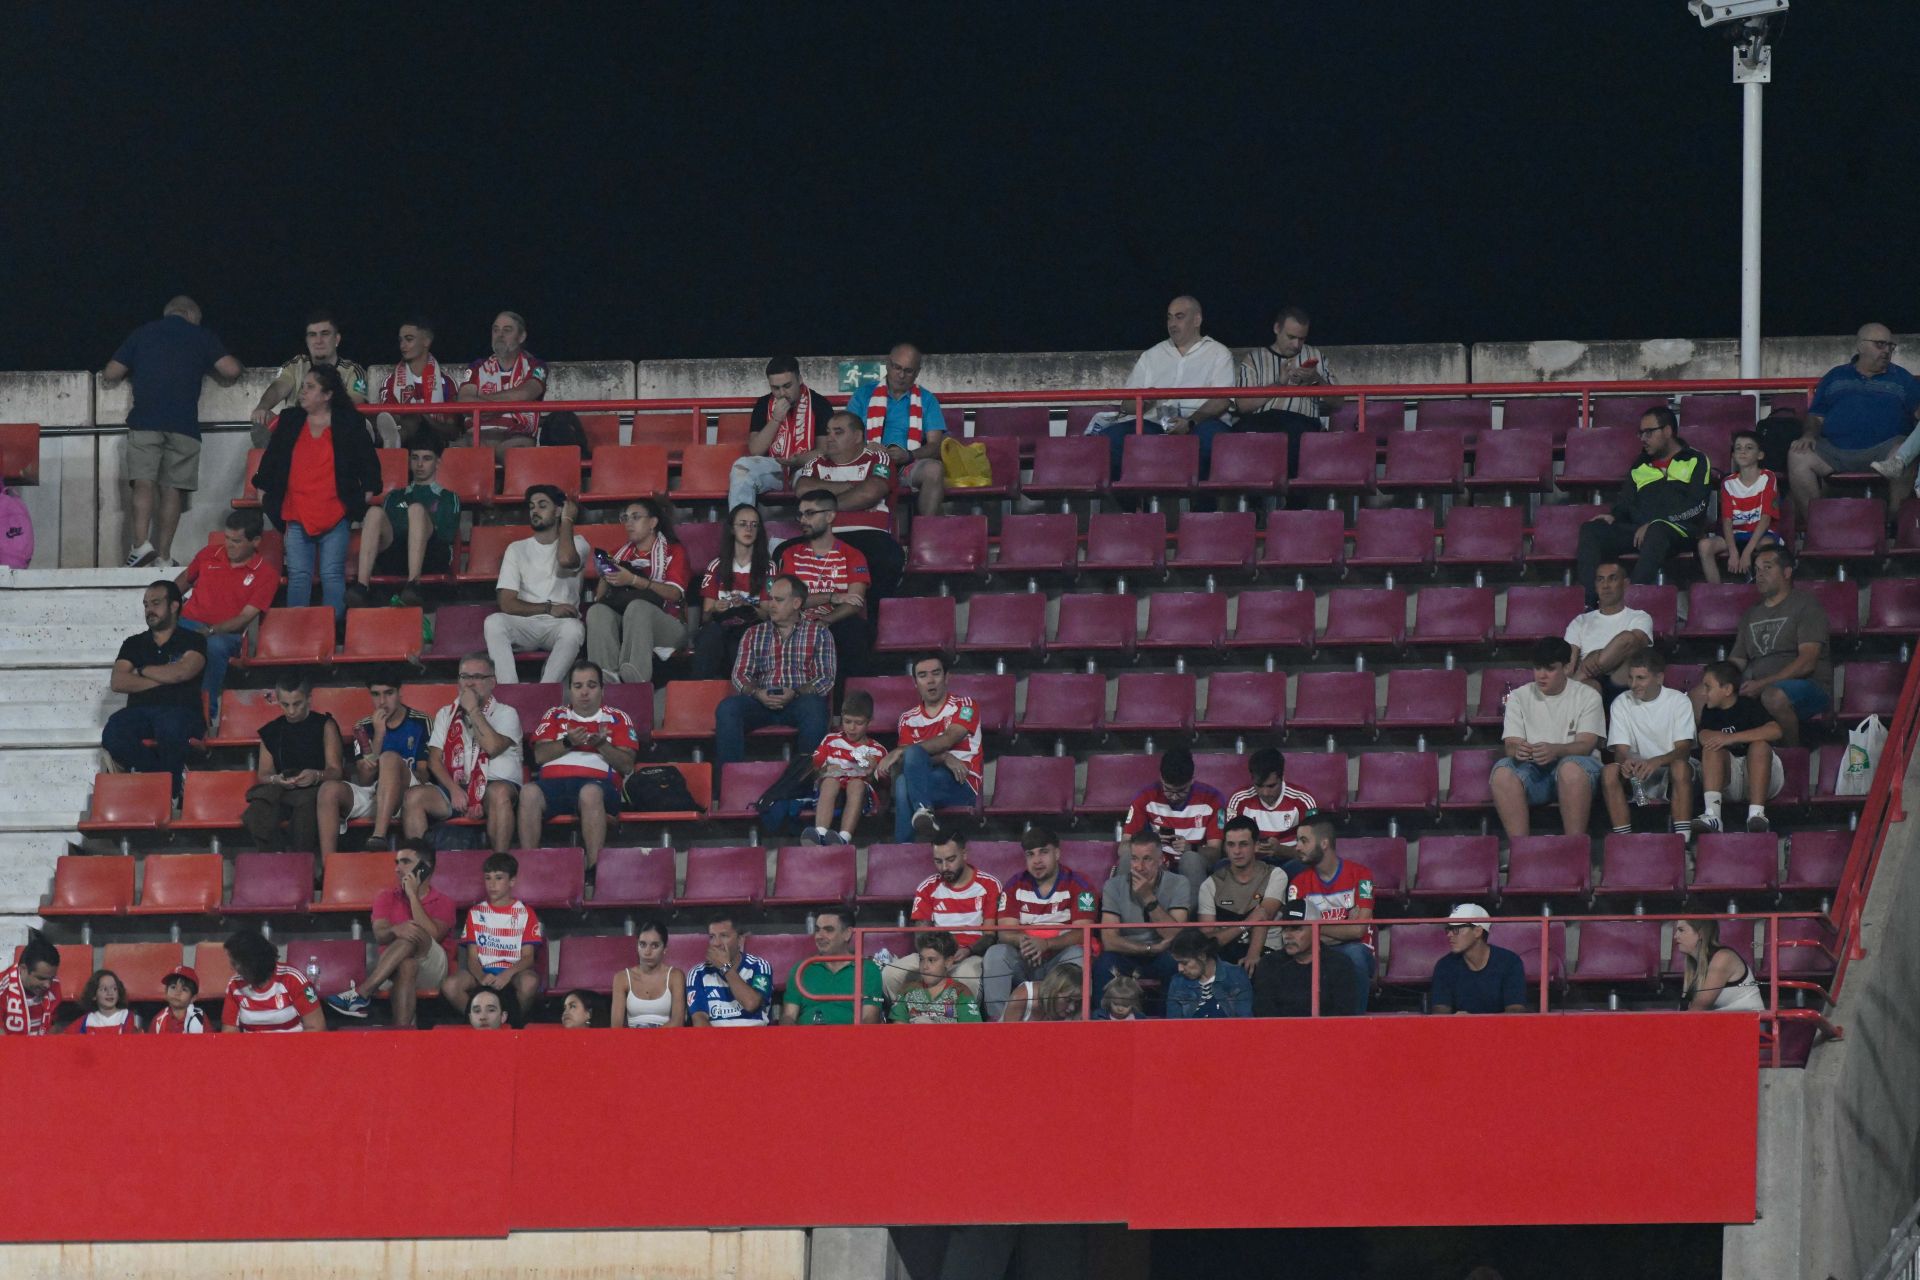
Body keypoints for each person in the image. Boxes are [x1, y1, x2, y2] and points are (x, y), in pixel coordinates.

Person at [102, 295, 244, 569]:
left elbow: (111, 373)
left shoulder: (142, 333)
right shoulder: (202, 336)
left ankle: (140, 546)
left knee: (143, 482)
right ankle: (164, 557)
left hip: (145, 421)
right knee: (173, 489)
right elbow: (231, 370)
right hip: (184, 426)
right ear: (191, 314)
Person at [252, 365, 383, 624]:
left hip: (336, 512)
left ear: (327, 394)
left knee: (332, 574)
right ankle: (296, 636)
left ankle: (331, 634)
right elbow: (272, 461)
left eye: (310, 387)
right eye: (304, 386)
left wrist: (362, 496)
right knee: (299, 575)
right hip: (296, 511)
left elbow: (368, 464)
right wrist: (263, 494)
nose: (303, 392)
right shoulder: (290, 420)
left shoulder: (348, 422)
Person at [1573, 406, 1711, 607]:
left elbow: (1698, 506)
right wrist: (1613, 516)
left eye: (1649, 432)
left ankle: (1630, 604)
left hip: (1680, 531)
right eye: (1641, 433)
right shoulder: (1640, 465)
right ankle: (1591, 604)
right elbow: (1626, 503)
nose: (1643, 438)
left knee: (1657, 530)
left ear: (1668, 431)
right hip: (1640, 531)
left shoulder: (1696, 460)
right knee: (1592, 530)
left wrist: (1658, 522)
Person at [1088, 295, 1236, 479]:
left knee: (1213, 439)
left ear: (1197, 320)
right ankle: (1131, 504)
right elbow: (1126, 405)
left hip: (1200, 425)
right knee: (1109, 440)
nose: (1172, 323)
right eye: (1169, 317)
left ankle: (1198, 504)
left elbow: (1221, 400)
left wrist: (1190, 423)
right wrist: (1145, 400)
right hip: (1155, 425)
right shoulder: (1151, 355)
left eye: (1179, 316)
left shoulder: (1218, 353)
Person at [1703, 543, 1831, 748]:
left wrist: (1762, 684)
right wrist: (1718, 684)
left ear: (1787, 572)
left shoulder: (1807, 605)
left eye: (1767, 567)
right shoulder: (1751, 614)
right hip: (1759, 687)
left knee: (1773, 696)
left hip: (1809, 686)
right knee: (1701, 694)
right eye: (1757, 569)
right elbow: (1736, 661)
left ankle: (1791, 755)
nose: (1760, 575)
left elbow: (1807, 662)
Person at [519, 660, 640, 871]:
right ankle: (530, 868)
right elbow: (539, 756)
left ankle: (594, 870)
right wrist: (568, 742)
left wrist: (602, 745)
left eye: (591, 686)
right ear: (570, 690)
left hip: (599, 786)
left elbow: (627, 764)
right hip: (553, 787)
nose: (584, 692)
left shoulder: (617, 718)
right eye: (578, 686)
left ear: (602, 690)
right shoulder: (555, 715)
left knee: (590, 793)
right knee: (528, 791)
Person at [1791, 323, 1920, 519]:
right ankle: (1816, 527)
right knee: (1797, 456)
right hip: (1834, 451)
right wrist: (1808, 434)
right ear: (1860, 346)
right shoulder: (1835, 376)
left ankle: (1896, 527)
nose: (1886, 351)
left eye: (1890, 346)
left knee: (1905, 453)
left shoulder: (1903, 379)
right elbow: (1816, 415)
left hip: (1886, 451)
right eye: (1880, 344)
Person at [323, 841, 457, 1028]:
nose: (397, 869)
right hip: (390, 970)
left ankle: (362, 993)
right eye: (396, 862)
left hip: (432, 968)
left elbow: (433, 935)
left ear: (424, 868)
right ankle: (402, 1039)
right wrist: (395, 929)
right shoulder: (386, 897)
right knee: (407, 964)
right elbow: (380, 934)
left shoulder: (445, 901)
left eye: (405, 862)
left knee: (413, 931)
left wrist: (412, 896)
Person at [404, 654, 523, 854]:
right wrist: (454, 790)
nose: (469, 683)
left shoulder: (506, 713)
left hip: (494, 784)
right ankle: (420, 866)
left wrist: (473, 710)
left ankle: (499, 865)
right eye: (464, 677)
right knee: (413, 797)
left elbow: (492, 747)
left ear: (492, 682)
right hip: (456, 786)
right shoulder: (446, 713)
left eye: (477, 677)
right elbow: (434, 760)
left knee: (499, 793)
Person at [1490, 637, 1605, 840]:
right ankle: (1521, 850)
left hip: (1579, 769)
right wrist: (1519, 751)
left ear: (1567, 667)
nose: (1542, 676)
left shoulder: (1587, 696)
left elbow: (1587, 745)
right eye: (1537, 668)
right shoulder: (1518, 697)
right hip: (1535, 771)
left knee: (1570, 768)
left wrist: (1556, 750)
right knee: (1502, 772)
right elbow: (1510, 745)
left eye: (1550, 669)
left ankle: (1574, 846)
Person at [714, 574, 835, 765]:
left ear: (796, 603)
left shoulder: (819, 633)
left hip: (799, 702)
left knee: (814, 707)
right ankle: (729, 783)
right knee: (728, 708)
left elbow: (825, 678)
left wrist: (794, 693)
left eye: (778, 600)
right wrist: (757, 693)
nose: (770, 604)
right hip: (761, 702)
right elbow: (740, 674)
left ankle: (806, 780)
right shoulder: (754, 633)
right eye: (770, 598)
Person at [980, 828, 1098, 1021]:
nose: (1037, 861)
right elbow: (1005, 932)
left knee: (1078, 955)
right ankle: (999, 1023)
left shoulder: (1080, 884)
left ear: (1057, 853)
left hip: (1060, 961)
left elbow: (1081, 933)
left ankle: (1075, 1023)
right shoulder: (1015, 885)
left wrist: (1046, 945)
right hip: (1025, 959)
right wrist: (1029, 943)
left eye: (1044, 852)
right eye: (1030, 854)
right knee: (996, 954)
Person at [102, 579, 207, 797]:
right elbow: (118, 682)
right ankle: (164, 783)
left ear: (174, 606)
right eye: (146, 605)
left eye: (155, 603)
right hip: (140, 713)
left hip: (182, 712)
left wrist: (141, 670)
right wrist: (165, 675)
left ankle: (164, 791)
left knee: (170, 726)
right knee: (113, 732)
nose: (149, 610)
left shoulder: (194, 639)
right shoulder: (133, 643)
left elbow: (183, 671)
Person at [175, 509, 276, 723]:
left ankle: (204, 713)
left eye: (236, 541)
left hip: (226, 634)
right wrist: (167, 605)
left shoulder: (266, 574)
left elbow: (244, 617)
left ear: (256, 541)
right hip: (188, 622)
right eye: (227, 538)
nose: (229, 545)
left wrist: (211, 630)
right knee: (165, 640)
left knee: (215, 646)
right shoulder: (208, 554)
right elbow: (182, 581)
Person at [316, 672, 432, 859]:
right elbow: (365, 778)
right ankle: (328, 869)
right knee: (328, 790)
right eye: (376, 694)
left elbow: (424, 773)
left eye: (389, 693)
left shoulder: (421, 721)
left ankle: (378, 837)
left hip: (409, 792)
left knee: (390, 759)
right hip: (374, 794)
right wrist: (379, 735)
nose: (382, 701)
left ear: (400, 693)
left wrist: (394, 775)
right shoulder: (363, 726)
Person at [791, 410, 905, 600]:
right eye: (828, 432)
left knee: (887, 556)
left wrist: (824, 506)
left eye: (838, 432)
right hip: (824, 539)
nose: (830, 438)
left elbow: (869, 493)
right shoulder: (816, 463)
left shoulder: (877, 459)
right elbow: (803, 490)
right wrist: (852, 487)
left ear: (858, 436)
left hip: (868, 536)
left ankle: (873, 624)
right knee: (781, 553)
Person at [484, 485, 589, 684]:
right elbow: (506, 603)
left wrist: (567, 520)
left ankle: (547, 689)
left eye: (542, 506)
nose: (535, 511)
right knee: (494, 622)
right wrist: (549, 608)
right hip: (527, 622)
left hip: (560, 625)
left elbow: (567, 559)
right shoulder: (516, 548)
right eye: (532, 506)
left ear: (559, 510)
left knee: (574, 630)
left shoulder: (579, 543)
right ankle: (509, 689)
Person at [883, 827, 1001, 1001]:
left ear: (964, 854)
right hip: (934, 953)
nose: (945, 867)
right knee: (890, 974)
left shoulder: (990, 885)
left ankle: (957, 1024)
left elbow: (990, 935)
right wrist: (936, 957)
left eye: (950, 860)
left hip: (971, 955)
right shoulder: (927, 888)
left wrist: (968, 950)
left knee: (966, 977)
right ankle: (909, 1017)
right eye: (938, 861)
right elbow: (921, 935)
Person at [878, 653, 983, 843]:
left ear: (947, 677)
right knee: (902, 782)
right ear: (915, 683)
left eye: (936, 673)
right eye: (923, 675)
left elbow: (949, 739)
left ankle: (904, 846)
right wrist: (943, 758)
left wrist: (903, 750)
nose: (930, 681)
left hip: (961, 782)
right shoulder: (908, 718)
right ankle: (923, 813)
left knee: (906, 776)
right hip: (923, 780)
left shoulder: (965, 706)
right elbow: (906, 761)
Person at [584, 497, 690, 686]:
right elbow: (600, 599)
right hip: (626, 623)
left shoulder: (674, 551)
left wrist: (633, 580)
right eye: (625, 518)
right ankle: (606, 675)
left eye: (635, 517)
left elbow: (675, 594)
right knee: (596, 611)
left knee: (638, 607)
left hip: (668, 625)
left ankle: (636, 676)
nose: (629, 523)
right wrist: (605, 575)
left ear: (653, 522)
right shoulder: (617, 553)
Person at [351, 430, 461, 605]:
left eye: (426, 458)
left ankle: (413, 584)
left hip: (431, 558)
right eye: (415, 458)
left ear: (437, 463)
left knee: (416, 511)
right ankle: (362, 586)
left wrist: (416, 522)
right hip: (396, 556)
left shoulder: (448, 497)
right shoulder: (394, 496)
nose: (419, 464)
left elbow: (446, 536)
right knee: (373, 513)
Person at [1225, 305, 1339, 472]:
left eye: (1302, 339)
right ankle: (1253, 494)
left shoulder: (1316, 357)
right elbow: (1242, 405)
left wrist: (1316, 379)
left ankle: (1293, 494)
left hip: (1301, 422)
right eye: (1291, 337)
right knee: (1241, 437)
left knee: (1296, 438)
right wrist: (1278, 385)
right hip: (1262, 422)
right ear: (1277, 328)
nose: (1296, 344)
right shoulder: (1254, 359)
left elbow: (1339, 402)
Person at [775, 491, 872, 681]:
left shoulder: (852, 554)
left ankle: (848, 705)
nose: (803, 520)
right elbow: (787, 601)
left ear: (830, 516)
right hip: (799, 623)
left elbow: (854, 602)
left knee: (854, 631)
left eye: (810, 513)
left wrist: (825, 621)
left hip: (837, 623)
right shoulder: (791, 554)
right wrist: (831, 597)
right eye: (801, 514)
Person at [1285, 815, 1377, 1013]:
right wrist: (1344, 925)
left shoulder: (1362, 876)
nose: (1297, 847)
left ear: (1324, 843)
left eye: (1304, 841)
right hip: (1314, 950)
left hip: (1354, 949)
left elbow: (1358, 930)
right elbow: (1297, 931)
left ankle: (1353, 1024)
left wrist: (1314, 926)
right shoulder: (1297, 883)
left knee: (1355, 954)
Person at [242, 674, 344, 853]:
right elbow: (264, 774)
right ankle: (275, 856)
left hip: (315, 789)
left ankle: (301, 864)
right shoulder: (271, 731)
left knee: (305, 812)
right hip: (282, 789)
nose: (290, 711)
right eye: (285, 705)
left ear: (309, 699)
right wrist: (277, 780)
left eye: (297, 704)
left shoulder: (325, 725)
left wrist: (316, 775)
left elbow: (336, 771)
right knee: (255, 812)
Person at [1600, 652, 1697, 838]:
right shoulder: (1621, 702)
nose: (1633, 684)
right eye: (1631, 678)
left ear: (1659, 677)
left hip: (1672, 772)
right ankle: (1624, 841)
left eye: (1641, 678)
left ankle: (1683, 842)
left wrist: (1656, 761)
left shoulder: (1679, 701)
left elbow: (1684, 750)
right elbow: (1620, 750)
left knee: (1680, 767)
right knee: (1609, 772)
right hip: (1638, 776)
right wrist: (1626, 761)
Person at [845, 343, 948, 518]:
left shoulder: (927, 399)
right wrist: (866, 448)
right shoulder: (863, 395)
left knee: (934, 469)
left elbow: (936, 446)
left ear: (917, 372)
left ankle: (925, 538)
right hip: (867, 464)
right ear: (887, 364)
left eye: (908, 371)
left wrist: (908, 455)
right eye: (896, 367)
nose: (901, 375)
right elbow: (846, 437)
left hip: (907, 465)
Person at [442, 852, 545, 1026]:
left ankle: (512, 1024)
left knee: (529, 982)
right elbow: (473, 958)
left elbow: (528, 957)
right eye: (488, 878)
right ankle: (480, 1024)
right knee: (450, 985)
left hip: (513, 972)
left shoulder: (525, 912)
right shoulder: (476, 913)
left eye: (498, 878)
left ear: (512, 881)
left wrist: (507, 974)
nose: (492, 884)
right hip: (483, 971)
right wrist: (482, 976)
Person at [1093, 830, 1192, 1006]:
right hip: (1127, 954)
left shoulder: (1179, 883)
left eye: (1147, 859)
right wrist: (1149, 948)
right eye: (1134, 859)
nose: (1139, 866)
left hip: (1164, 955)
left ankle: (1173, 1026)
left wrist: (1148, 898)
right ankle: (1099, 1023)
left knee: (1177, 964)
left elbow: (1176, 935)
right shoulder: (1113, 886)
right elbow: (1109, 941)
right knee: (1103, 964)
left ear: (1161, 860)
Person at [248, 311, 371, 448]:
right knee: (266, 420)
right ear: (307, 341)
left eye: (325, 334)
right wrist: (263, 407)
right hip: (295, 436)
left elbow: (355, 403)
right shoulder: (296, 365)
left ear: (337, 339)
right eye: (312, 335)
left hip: (335, 438)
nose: (318, 341)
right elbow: (277, 388)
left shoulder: (353, 370)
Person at [729, 355, 836, 511]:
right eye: (776, 388)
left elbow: (825, 451)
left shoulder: (820, 404)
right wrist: (776, 419)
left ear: (799, 379)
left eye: (787, 386)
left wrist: (798, 460)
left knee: (816, 478)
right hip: (775, 466)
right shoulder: (763, 404)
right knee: (742, 468)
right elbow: (756, 450)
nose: (782, 393)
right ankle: (742, 526)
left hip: (806, 467)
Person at [1692, 661, 1785, 835]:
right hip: (1732, 779)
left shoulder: (1749, 705)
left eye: (1708, 687)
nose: (1704, 692)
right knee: (1711, 749)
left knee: (1759, 746)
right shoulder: (1710, 710)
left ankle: (1757, 814)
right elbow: (1704, 736)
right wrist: (1718, 740)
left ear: (1727, 689)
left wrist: (1730, 738)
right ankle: (1712, 815)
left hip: (1763, 776)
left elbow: (1776, 731)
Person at [1122, 746, 1227, 898]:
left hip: (1193, 868)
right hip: (1155, 866)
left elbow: (1215, 852)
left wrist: (1192, 848)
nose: (1174, 797)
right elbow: (1123, 847)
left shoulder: (1214, 799)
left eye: (1181, 791)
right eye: (1169, 790)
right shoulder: (1145, 797)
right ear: (1161, 778)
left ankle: (1188, 920)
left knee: (1191, 860)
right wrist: (1151, 845)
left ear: (1192, 780)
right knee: (1128, 859)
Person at [1198, 817, 1288, 971]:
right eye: (1231, 845)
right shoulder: (1210, 884)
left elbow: (1263, 917)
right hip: (1226, 950)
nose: (1237, 851)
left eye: (1243, 844)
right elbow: (1208, 939)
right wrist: (1244, 924)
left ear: (1256, 845)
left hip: (1267, 949)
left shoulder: (1275, 874)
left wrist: (1253, 955)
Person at [691, 504, 770, 680]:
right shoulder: (716, 566)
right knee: (711, 634)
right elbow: (705, 616)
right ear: (732, 529)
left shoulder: (768, 568)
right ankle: (701, 690)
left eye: (754, 524)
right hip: (721, 628)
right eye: (742, 524)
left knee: (743, 637)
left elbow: (768, 615)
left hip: (751, 628)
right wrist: (717, 608)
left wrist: (748, 606)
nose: (749, 529)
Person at [459, 310, 548, 458]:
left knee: (517, 454)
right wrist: (509, 402)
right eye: (496, 330)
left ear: (521, 337)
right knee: (452, 454)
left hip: (516, 437)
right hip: (477, 437)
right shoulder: (477, 366)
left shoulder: (535, 366)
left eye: (507, 330)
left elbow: (525, 393)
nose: (500, 335)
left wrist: (481, 399)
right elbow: (464, 402)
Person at [1564, 560, 1653, 706]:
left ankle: (1570, 688)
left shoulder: (1640, 617)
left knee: (1627, 638)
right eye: (1600, 580)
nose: (1605, 585)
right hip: (1589, 682)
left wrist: (1596, 656)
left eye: (1612, 578)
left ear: (1625, 584)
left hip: (1622, 678)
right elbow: (1568, 664)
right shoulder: (1580, 621)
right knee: (1589, 689)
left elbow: (1634, 644)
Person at [1251, 900, 1361, 1018]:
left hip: (1325, 1034)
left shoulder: (1339, 965)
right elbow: (1264, 1013)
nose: (1287, 935)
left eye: (1296, 928)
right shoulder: (1270, 964)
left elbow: (1344, 1015)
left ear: (1316, 928)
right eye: (1284, 928)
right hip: (1281, 1034)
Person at [1698, 431, 1783, 584]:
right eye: (1738, 448)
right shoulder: (1727, 482)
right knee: (1705, 545)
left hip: (1759, 533)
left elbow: (1765, 519)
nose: (1742, 451)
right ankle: (1715, 592)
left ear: (1760, 455)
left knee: (1766, 545)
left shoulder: (1768, 478)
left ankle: (1761, 589)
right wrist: (1733, 552)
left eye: (1749, 448)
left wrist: (1746, 553)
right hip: (1735, 534)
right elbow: (1727, 521)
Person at [804, 688, 885, 845]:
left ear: (869, 722)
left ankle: (843, 838)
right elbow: (814, 766)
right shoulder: (830, 740)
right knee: (830, 781)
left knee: (856, 784)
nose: (852, 728)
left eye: (858, 723)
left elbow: (883, 782)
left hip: (859, 794)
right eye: (847, 722)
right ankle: (819, 834)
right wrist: (825, 769)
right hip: (831, 789)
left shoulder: (877, 750)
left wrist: (873, 770)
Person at [780, 908, 885, 1025]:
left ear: (847, 934)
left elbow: (870, 1017)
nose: (819, 936)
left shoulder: (868, 969)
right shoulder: (801, 969)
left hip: (850, 1040)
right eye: (817, 930)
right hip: (806, 1039)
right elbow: (789, 1016)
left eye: (828, 930)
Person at [372, 316, 461, 447]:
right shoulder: (390, 381)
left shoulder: (446, 382)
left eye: (409, 339)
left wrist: (423, 416)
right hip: (405, 446)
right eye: (400, 340)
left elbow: (453, 431)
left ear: (426, 341)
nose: (402, 345)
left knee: (416, 416)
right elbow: (388, 420)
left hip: (436, 447)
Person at [220, 928, 325, 1033]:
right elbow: (229, 1034)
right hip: (252, 1048)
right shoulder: (234, 985)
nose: (232, 968)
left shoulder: (293, 979)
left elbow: (316, 1028)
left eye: (235, 963)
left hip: (292, 1047)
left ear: (251, 962)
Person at [1429, 904, 1527, 1015]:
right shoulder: (1445, 965)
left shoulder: (1509, 962)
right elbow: (1440, 1013)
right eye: (1449, 929)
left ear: (1477, 931)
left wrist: (1475, 1021)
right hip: (1460, 1031)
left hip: (1500, 1031)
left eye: (1456, 929)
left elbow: (1516, 1012)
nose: (1449, 934)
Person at [1223, 748, 1317, 862]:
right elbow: (1227, 845)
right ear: (1252, 779)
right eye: (1259, 786)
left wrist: (1282, 850)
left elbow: (1314, 852)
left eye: (1271, 786)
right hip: (1253, 862)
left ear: (1282, 778)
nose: (1265, 793)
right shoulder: (1238, 800)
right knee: (1222, 865)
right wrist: (1249, 849)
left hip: (1290, 860)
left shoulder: (1303, 800)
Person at [687, 914, 773, 1027]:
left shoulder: (759, 966)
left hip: (754, 1037)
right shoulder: (697, 973)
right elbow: (699, 1021)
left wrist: (725, 968)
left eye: (724, 936)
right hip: (714, 1040)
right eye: (712, 937)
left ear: (740, 940)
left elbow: (751, 1004)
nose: (716, 943)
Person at [890, 931, 984, 1024]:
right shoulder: (907, 991)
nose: (925, 966)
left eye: (931, 960)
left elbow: (971, 1034)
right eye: (921, 959)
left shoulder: (961, 993)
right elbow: (898, 1031)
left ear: (948, 962)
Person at [1675, 918, 1764, 1011]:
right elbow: (1684, 1007)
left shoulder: (1723, 957)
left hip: (1752, 1022)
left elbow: (1698, 1008)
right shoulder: (1692, 963)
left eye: (1681, 930)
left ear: (1700, 933)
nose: (1675, 936)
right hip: (1728, 1021)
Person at [611, 920, 687, 1029]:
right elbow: (616, 1027)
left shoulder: (675, 976)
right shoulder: (621, 978)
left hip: (666, 1040)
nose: (647, 952)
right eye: (642, 944)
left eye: (655, 946)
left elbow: (678, 1022)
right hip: (631, 1042)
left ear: (665, 949)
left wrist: (650, 1040)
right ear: (637, 946)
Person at [1165, 929, 1253, 1019]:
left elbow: (1245, 1020)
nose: (1180, 969)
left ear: (1202, 956)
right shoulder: (1177, 982)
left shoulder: (1235, 975)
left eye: (1185, 963)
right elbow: (1173, 1026)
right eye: (1178, 963)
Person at [0, 931, 62, 1036]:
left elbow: (53, 1026)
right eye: (41, 978)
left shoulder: (54, 984)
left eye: (51, 978)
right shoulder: (3, 986)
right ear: (23, 969)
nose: (47, 985)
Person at [1002, 963, 1085, 1023]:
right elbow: (1007, 1040)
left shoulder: (1077, 1008)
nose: (1072, 1008)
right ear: (1053, 990)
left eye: (1076, 1002)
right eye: (1068, 1000)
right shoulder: (1022, 998)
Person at [67, 970, 138, 1034]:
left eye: (114, 989)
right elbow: (64, 1039)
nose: (110, 993)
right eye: (104, 989)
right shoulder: (86, 1021)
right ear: (94, 995)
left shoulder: (126, 1016)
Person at [149, 965, 207, 1034]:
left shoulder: (201, 1019)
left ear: (193, 998)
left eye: (184, 989)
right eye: (173, 987)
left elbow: (211, 1044)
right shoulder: (158, 1020)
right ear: (166, 992)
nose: (177, 993)